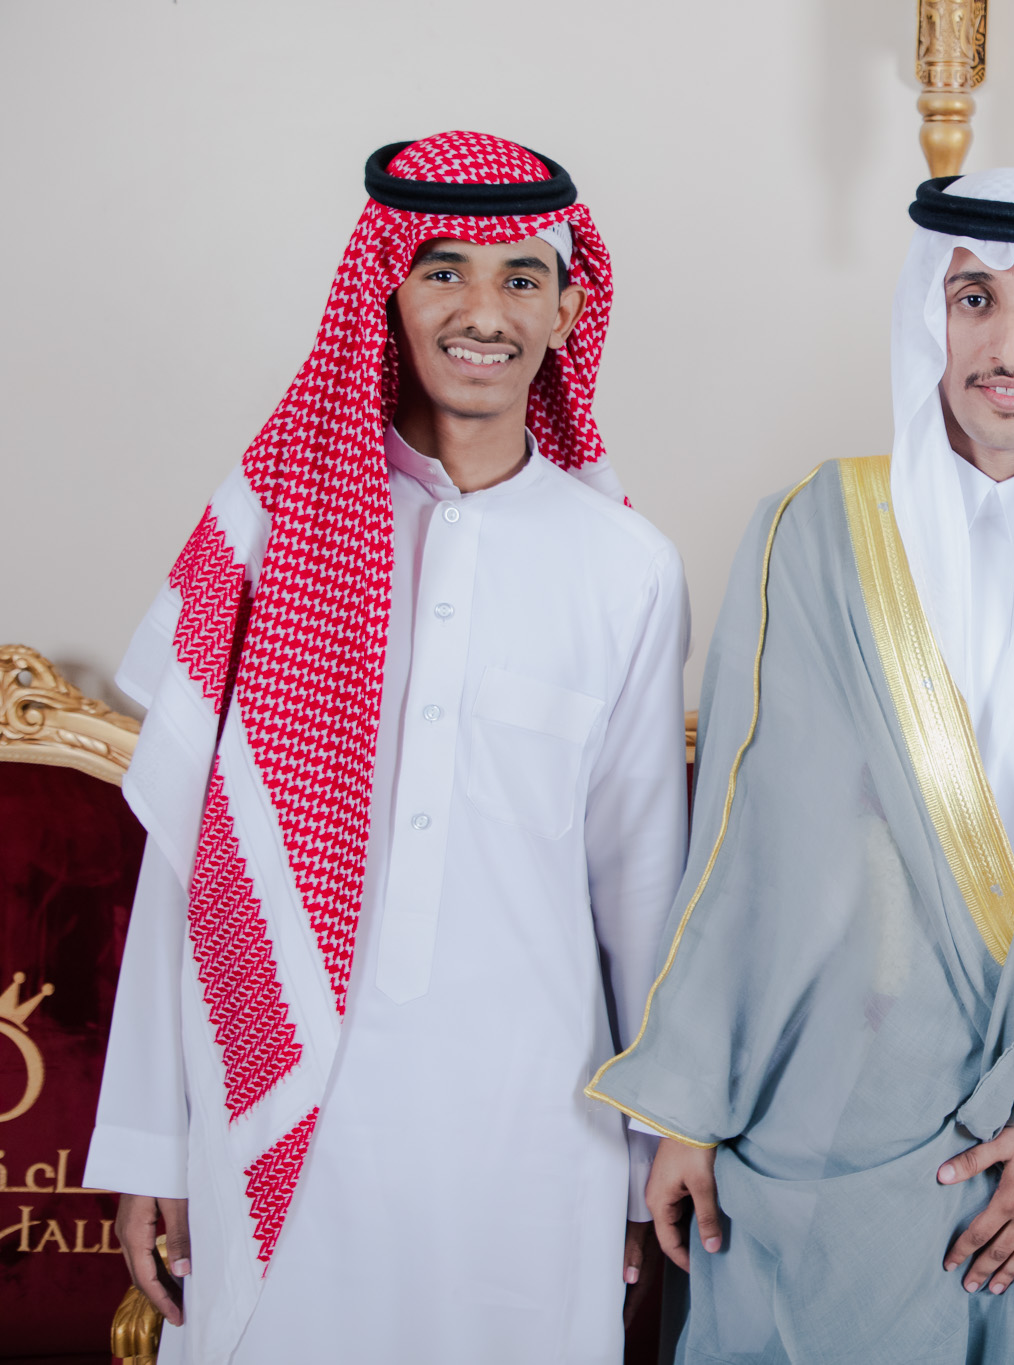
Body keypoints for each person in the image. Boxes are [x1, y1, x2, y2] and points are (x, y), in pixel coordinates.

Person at [587, 169, 1014, 1363]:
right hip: (847, 1118)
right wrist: (686, 1111)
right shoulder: (814, 531)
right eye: (973, 299)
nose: (1008, 344)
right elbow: (745, 849)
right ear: (928, 316)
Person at [84, 131, 690, 1364]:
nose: (484, 313)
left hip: (533, 1133)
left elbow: (640, 887)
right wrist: (152, 1143)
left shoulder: (627, 566)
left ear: (569, 310)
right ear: (383, 292)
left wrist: (646, 1158)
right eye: (442, 271)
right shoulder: (274, 531)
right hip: (282, 1119)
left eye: (521, 278)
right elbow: (188, 860)